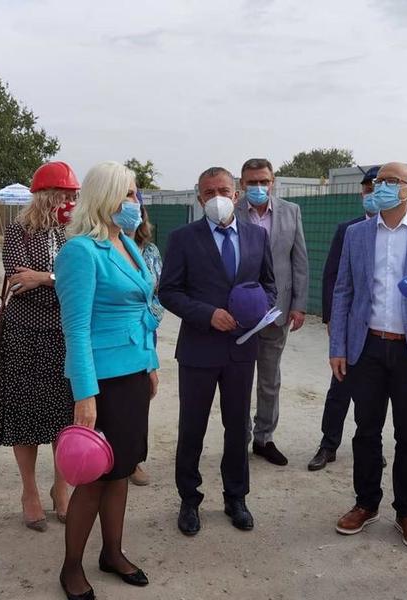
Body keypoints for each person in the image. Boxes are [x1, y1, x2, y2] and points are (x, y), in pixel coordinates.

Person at [329, 162, 407, 551]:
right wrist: (338, 346)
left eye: (391, 181)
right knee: (366, 429)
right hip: (366, 346)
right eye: (378, 182)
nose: (382, 187)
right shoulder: (357, 234)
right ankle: (366, 504)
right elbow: (343, 290)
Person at [55, 161, 160, 599]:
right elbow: (76, 329)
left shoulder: (127, 243)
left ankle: (112, 553)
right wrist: (85, 395)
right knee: (94, 477)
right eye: (129, 193)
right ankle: (71, 568)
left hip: (133, 374)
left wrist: (150, 363)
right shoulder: (81, 251)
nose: (136, 201)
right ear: (106, 197)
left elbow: (144, 308)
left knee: (120, 470)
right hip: (101, 383)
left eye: (136, 193)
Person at [159, 166, 276, 536]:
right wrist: (207, 315)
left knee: (237, 427)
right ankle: (189, 499)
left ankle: (236, 497)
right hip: (199, 349)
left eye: (223, 190)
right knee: (192, 427)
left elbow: (269, 285)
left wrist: (257, 309)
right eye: (209, 193)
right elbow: (169, 292)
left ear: (236, 194)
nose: (217, 198)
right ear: (199, 198)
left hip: (242, 349)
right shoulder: (183, 238)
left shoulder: (257, 236)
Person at [0, 161, 79, 533]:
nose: (71, 202)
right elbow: (17, 277)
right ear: (46, 195)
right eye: (66, 195)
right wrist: (58, 279)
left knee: (64, 416)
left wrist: (43, 277)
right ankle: (29, 492)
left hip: (65, 333)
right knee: (24, 416)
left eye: (74, 196)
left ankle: (61, 487)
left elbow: (81, 276)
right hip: (24, 334)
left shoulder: (73, 232)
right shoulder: (19, 230)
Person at [309, 166, 388, 471]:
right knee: (340, 385)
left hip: (382, 327)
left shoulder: (402, 233)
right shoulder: (349, 230)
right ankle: (328, 444)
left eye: (377, 189)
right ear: (361, 193)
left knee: (376, 394)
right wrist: (332, 319)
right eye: (368, 189)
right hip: (353, 325)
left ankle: (372, 445)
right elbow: (332, 276)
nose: (372, 194)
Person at [235, 158, 308, 466]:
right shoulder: (230, 211)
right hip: (239, 311)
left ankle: (264, 438)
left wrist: (299, 305)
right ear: (242, 184)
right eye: (251, 182)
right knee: (238, 380)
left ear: (273, 181)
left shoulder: (291, 212)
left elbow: (299, 260)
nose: (258, 187)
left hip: (277, 311)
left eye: (263, 181)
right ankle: (239, 439)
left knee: (269, 380)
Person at [123, 196, 164, 486]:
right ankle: (102, 456)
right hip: (114, 334)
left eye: (136, 207)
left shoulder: (149, 250)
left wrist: (150, 320)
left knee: (139, 399)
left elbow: (159, 291)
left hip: (145, 332)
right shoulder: (98, 247)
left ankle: (134, 459)